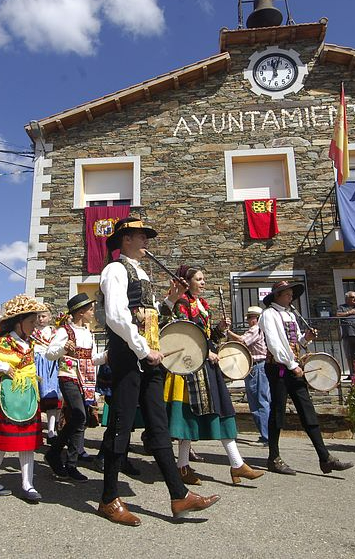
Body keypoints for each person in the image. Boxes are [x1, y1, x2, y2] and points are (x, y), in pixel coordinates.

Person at [98, 216, 219, 526]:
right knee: (121, 424)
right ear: (126, 239)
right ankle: (108, 498)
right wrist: (143, 350)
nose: (146, 241)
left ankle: (179, 495)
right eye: (141, 236)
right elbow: (115, 316)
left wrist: (171, 300)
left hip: (149, 358)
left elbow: (149, 318)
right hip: (129, 356)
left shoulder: (142, 274)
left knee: (159, 425)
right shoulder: (115, 270)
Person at [162, 266, 262, 486]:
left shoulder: (202, 305)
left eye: (203, 279)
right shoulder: (181, 304)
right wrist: (207, 352)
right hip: (191, 369)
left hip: (206, 368)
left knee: (220, 412)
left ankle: (232, 464)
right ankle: (191, 466)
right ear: (187, 282)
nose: (203, 282)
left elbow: (208, 338)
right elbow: (183, 335)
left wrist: (219, 330)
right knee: (191, 418)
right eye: (199, 279)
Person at [260, 280, 353, 476]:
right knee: (278, 411)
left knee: (307, 409)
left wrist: (306, 339)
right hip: (278, 368)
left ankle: (325, 458)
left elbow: (296, 343)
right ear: (277, 295)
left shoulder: (291, 315)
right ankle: (273, 458)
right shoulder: (268, 314)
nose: (291, 297)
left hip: (293, 368)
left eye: (291, 294)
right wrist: (292, 365)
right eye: (287, 293)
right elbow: (275, 345)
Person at [0, 294, 47, 502]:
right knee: (1, 441)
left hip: (26, 395)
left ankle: (28, 485)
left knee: (27, 442)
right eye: (31, 321)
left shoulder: (30, 343)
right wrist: (2, 366)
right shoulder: (4, 342)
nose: (34, 325)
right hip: (4, 396)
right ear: (19, 322)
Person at [44, 293, 106, 482]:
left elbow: (93, 359)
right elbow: (49, 354)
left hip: (86, 379)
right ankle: (56, 454)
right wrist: (64, 348)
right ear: (80, 312)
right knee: (79, 416)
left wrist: (107, 355)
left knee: (80, 418)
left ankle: (69, 463)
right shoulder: (64, 331)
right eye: (90, 310)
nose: (93, 312)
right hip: (68, 376)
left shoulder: (88, 333)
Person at [226, 306, 270, 445]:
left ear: (257, 318)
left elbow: (242, 341)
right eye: (249, 318)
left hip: (257, 367)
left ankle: (267, 436)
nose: (249, 320)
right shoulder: (258, 329)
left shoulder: (256, 329)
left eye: (251, 317)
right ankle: (266, 435)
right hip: (255, 367)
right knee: (257, 401)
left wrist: (227, 332)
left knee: (259, 401)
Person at [32, 310, 60, 441]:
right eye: (38, 316)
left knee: (51, 398)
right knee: (34, 397)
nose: (40, 319)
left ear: (49, 318)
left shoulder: (54, 332)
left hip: (50, 366)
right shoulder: (32, 331)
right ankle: (34, 429)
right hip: (35, 364)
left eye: (43, 316)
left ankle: (51, 430)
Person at [336, 291, 355, 374]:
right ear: (347, 299)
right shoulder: (342, 307)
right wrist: (349, 313)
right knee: (349, 355)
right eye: (352, 297)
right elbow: (338, 315)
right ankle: (352, 374)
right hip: (347, 334)